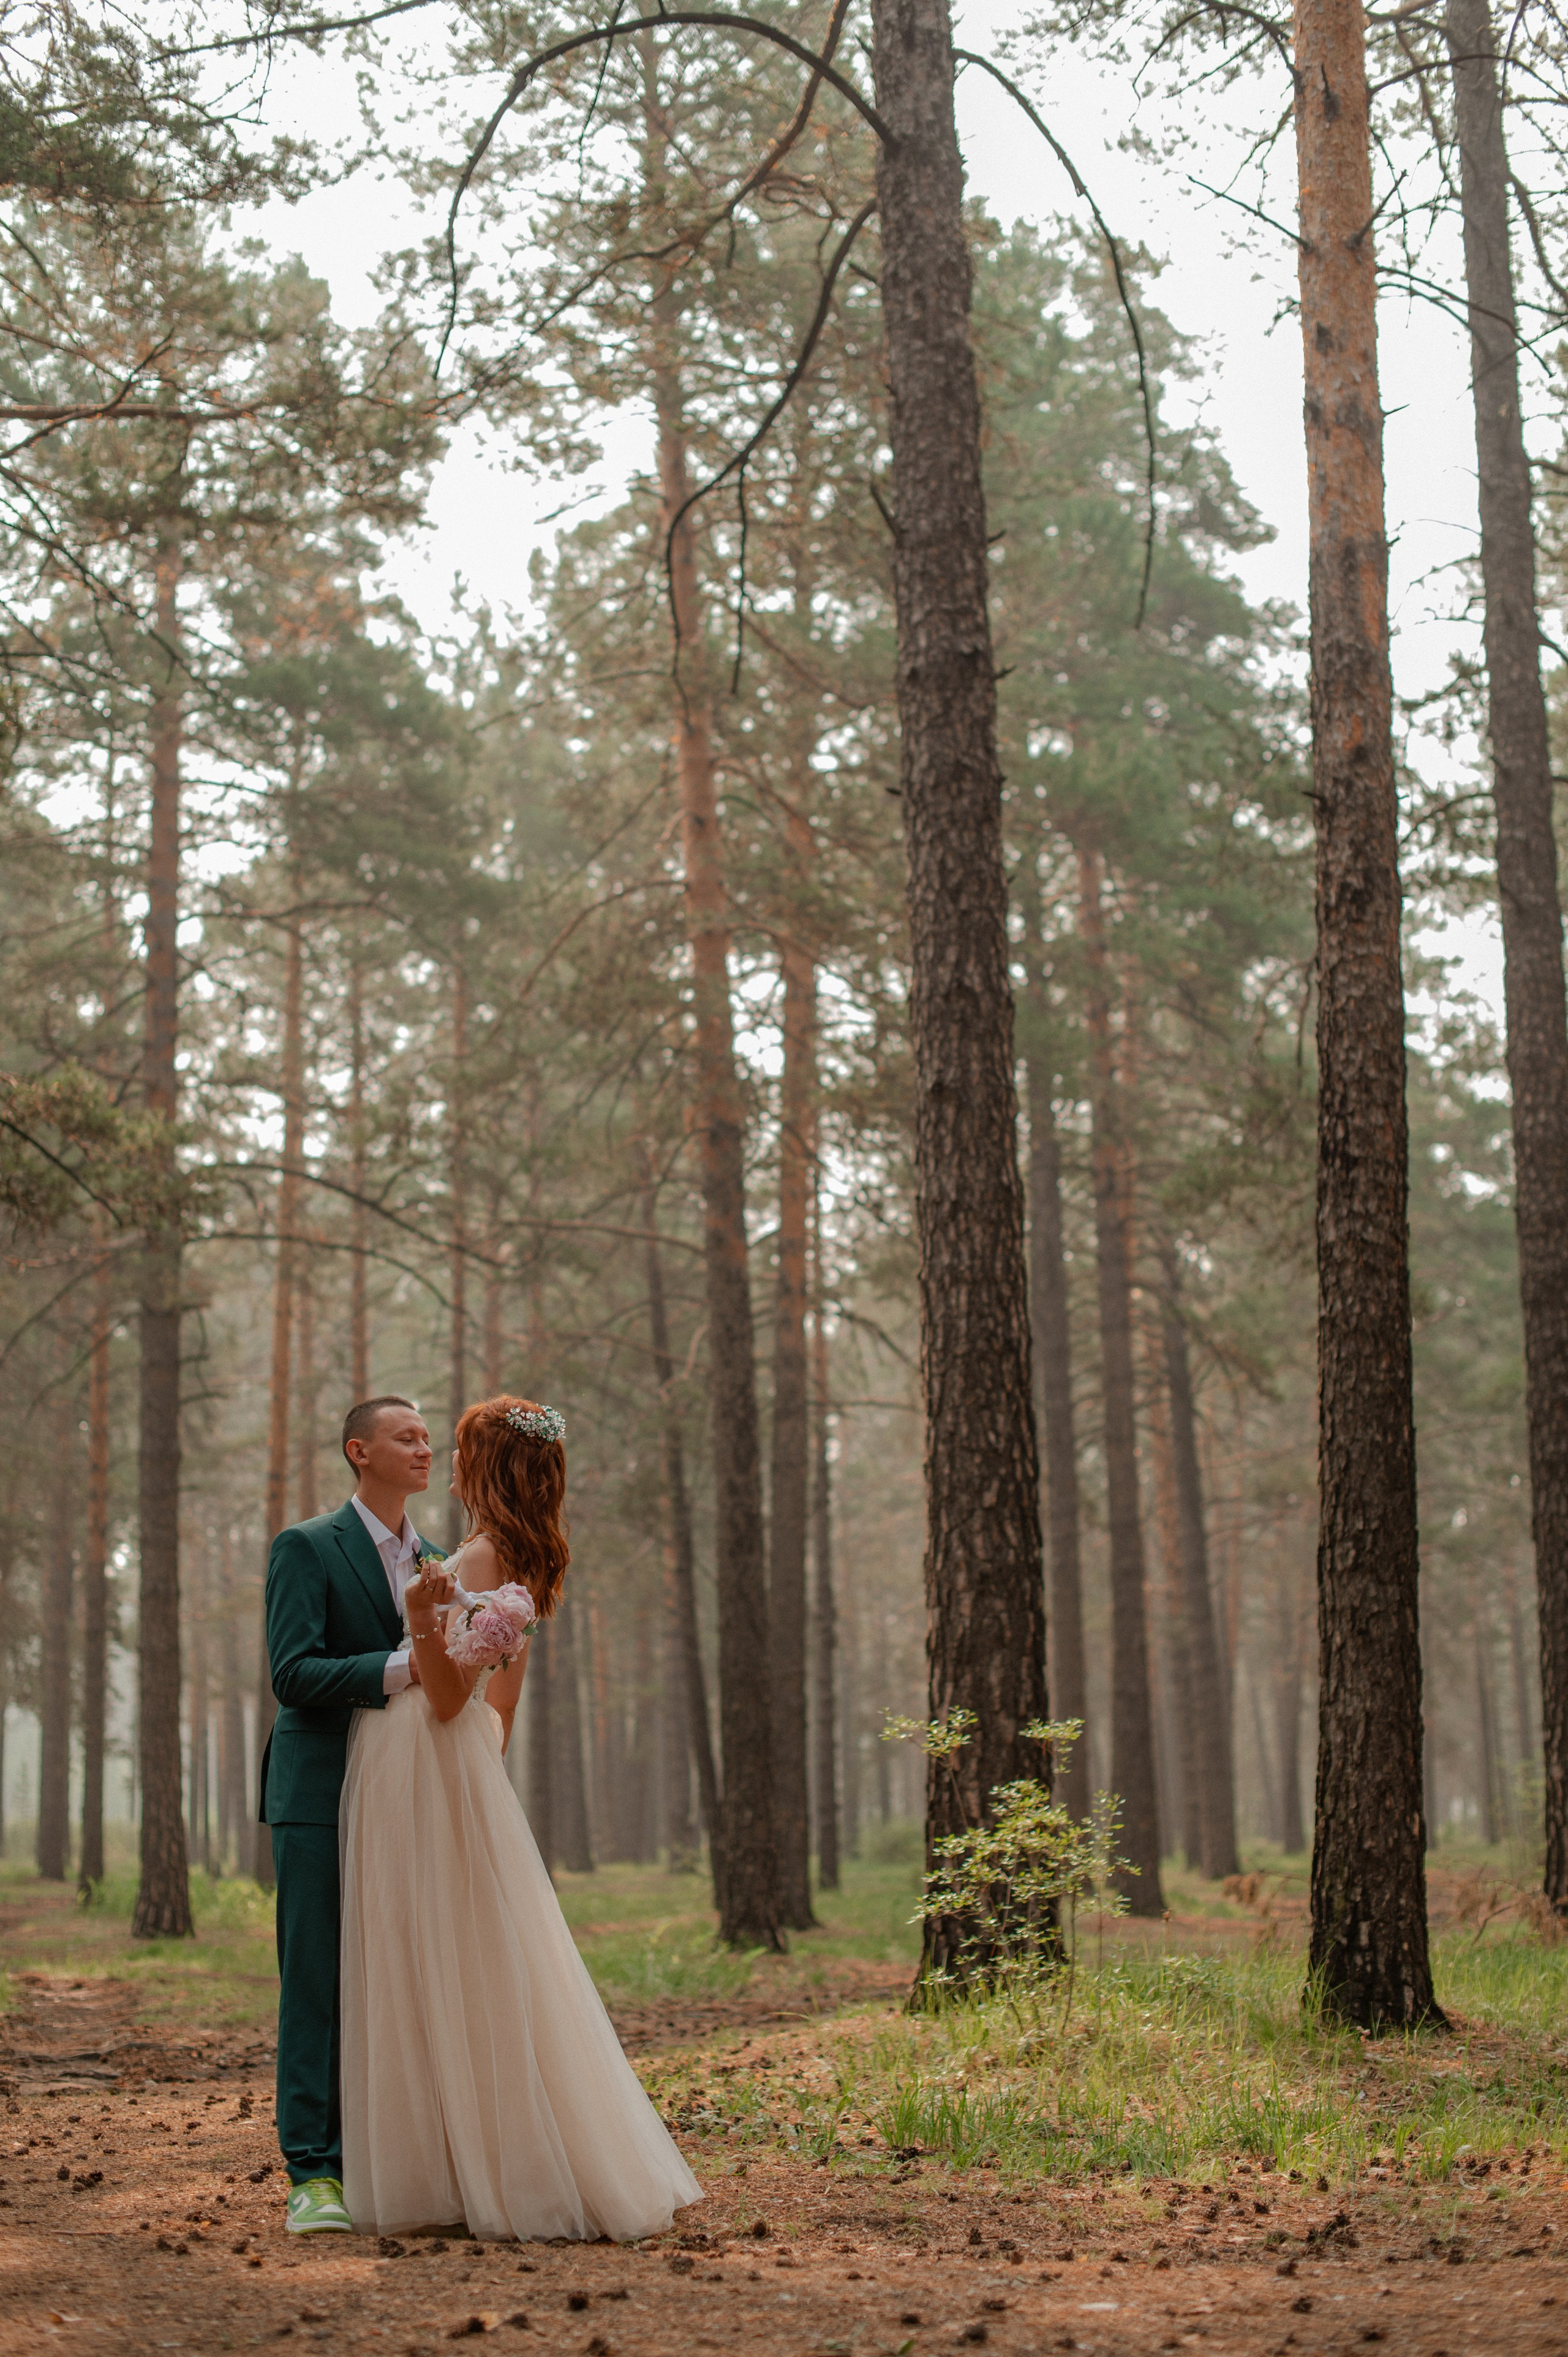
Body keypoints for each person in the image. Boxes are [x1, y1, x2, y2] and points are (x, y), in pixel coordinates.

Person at [337, 1395, 702, 2241]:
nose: (448, 1463)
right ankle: (474, 2154)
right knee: (470, 1954)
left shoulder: (478, 1559)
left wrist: (426, 1616)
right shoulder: (521, 1559)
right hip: (456, 1770)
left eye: (460, 1451)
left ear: (486, 1466)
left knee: (427, 1951)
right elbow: (500, 1707)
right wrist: (477, 1781)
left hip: (421, 1759)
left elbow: (448, 1696)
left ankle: (455, 2169)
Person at [260, 1395, 438, 2235]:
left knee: (392, 1974)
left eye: (429, 1437)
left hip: (405, 1796)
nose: (424, 1447)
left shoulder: (439, 1560)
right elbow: (292, 1674)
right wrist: (402, 1667)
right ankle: (313, 2175)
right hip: (319, 1794)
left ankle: (379, 2155)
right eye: (407, 1436)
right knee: (318, 1979)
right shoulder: (306, 1546)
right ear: (359, 1451)